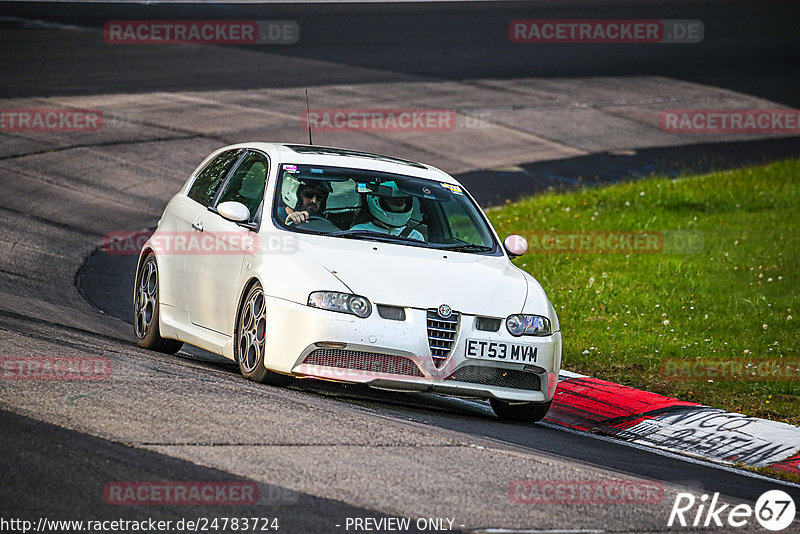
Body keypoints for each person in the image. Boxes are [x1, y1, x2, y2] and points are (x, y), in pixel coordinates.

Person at [352, 182, 424, 241]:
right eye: (394, 200)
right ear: (376, 202)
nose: (400, 202)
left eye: (403, 200)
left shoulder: (415, 237)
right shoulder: (358, 231)